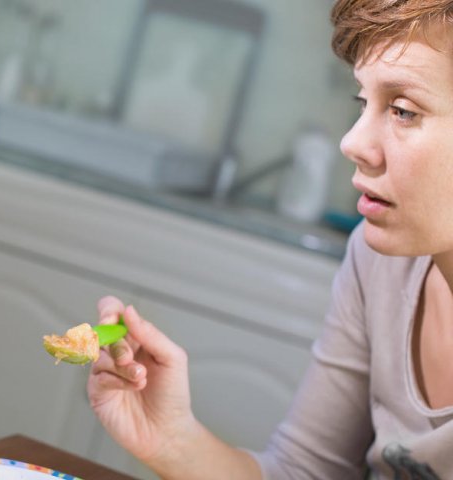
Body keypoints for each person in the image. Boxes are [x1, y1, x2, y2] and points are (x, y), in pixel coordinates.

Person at [87, 0, 453, 478]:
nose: (352, 142)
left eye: (403, 110)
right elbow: (304, 471)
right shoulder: (377, 260)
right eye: (365, 103)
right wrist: (172, 442)